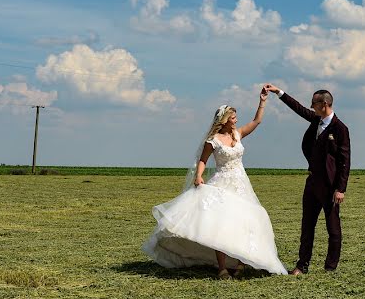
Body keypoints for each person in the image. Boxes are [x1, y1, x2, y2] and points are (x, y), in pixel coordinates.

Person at [142, 87, 287, 278]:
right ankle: (222, 267)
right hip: (222, 184)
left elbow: (257, 121)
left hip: (241, 184)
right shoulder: (213, 140)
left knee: (246, 222)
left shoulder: (238, 134)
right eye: (233, 118)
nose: (236, 120)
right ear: (224, 120)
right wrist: (199, 176)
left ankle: (242, 263)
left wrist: (262, 101)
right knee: (221, 225)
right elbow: (202, 160)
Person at [263, 84, 350, 275]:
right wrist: (279, 92)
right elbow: (298, 108)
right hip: (311, 183)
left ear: (325, 104)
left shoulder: (340, 128)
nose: (311, 106)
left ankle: (330, 266)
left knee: (333, 228)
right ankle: (302, 266)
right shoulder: (315, 120)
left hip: (330, 187)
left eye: (314, 103)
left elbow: (345, 161)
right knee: (307, 226)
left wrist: (340, 188)